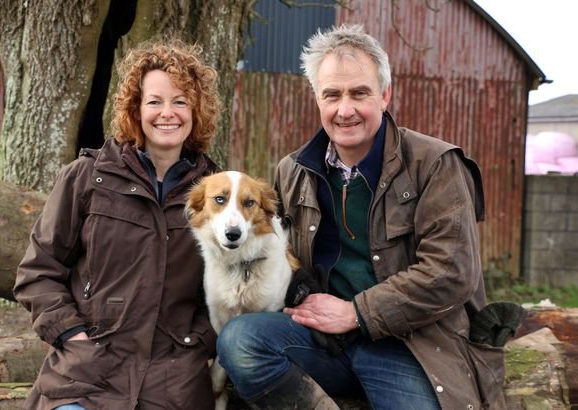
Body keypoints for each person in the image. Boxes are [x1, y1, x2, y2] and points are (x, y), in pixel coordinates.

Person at [216, 24, 507, 410]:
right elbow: (274, 251)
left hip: (411, 347)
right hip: (322, 341)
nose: (345, 109)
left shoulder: (435, 165)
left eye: (359, 93)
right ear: (317, 99)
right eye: (332, 95)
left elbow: (450, 273)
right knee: (241, 341)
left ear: (385, 95)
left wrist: (355, 312)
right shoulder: (293, 171)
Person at [13, 38, 221, 410]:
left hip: (172, 383)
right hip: (87, 375)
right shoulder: (87, 178)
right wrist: (73, 336)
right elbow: (38, 272)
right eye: (154, 101)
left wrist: (198, 341)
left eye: (180, 101)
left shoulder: (215, 193)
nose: (167, 113)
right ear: (135, 108)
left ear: (197, 109)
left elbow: (227, 284)